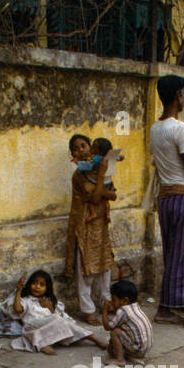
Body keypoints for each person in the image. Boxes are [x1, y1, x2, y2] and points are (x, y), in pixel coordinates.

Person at [148, 74, 184, 328]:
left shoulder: (155, 128)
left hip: (165, 197)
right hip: (182, 195)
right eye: (183, 93)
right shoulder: (179, 128)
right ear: (176, 96)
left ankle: (164, 307)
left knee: (173, 251)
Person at [66, 133, 117, 326]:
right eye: (76, 148)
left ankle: (106, 301)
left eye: (84, 146)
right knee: (85, 268)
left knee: (105, 265)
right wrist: (105, 189)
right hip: (85, 226)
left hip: (101, 225)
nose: (81, 150)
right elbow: (96, 197)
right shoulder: (79, 175)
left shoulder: (101, 172)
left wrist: (105, 187)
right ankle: (87, 309)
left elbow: (113, 195)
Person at [0, 270, 104, 355]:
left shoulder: (48, 300)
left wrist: (50, 308)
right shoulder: (26, 299)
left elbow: (54, 316)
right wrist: (18, 290)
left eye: (41, 284)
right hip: (32, 326)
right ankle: (43, 344)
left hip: (48, 326)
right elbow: (17, 309)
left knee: (63, 322)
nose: (37, 286)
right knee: (59, 319)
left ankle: (93, 338)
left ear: (47, 288)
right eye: (34, 283)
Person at [101, 279, 152, 364]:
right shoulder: (135, 307)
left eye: (114, 300)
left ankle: (120, 359)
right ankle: (129, 355)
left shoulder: (123, 311)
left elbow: (107, 327)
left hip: (138, 349)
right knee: (119, 329)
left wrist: (105, 310)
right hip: (146, 348)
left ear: (125, 300)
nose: (112, 302)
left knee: (115, 332)